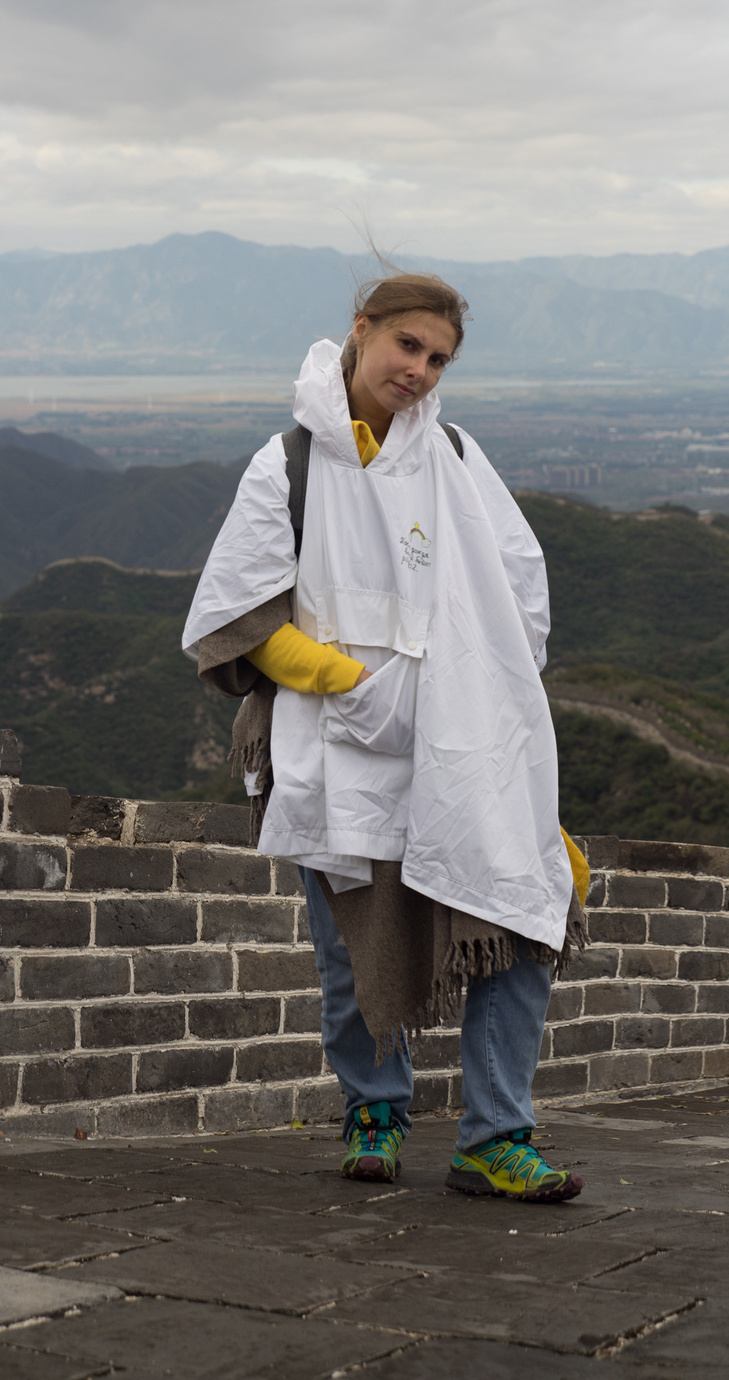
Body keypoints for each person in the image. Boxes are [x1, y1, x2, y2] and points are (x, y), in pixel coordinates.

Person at [181, 270, 591, 1202]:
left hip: (457, 739)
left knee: (521, 913)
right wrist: (347, 681)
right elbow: (238, 613)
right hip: (335, 744)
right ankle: (374, 1108)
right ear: (360, 332)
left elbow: (516, 589)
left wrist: (484, 706)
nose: (420, 369)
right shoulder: (287, 464)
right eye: (407, 345)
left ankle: (495, 1135)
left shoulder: (451, 455)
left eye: (439, 358)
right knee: (349, 952)